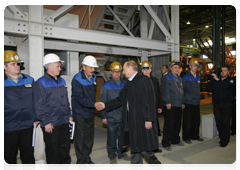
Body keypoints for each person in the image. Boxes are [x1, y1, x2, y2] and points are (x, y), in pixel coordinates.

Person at [97, 60, 163, 170]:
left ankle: (157, 167)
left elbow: (150, 100)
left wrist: (149, 119)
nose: (122, 72)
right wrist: (105, 105)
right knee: (135, 148)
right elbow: (120, 100)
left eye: (124, 69)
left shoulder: (143, 80)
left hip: (142, 121)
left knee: (144, 149)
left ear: (131, 69)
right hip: (132, 121)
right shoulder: (128, 84)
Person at [33, 53, 72, 170]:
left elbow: (66, 100)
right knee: (52, 149)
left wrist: (69, 115)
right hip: (51, 123)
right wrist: (46, 122)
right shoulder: (40, 83)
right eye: (58, 66)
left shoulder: (62, 81)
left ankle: (64, 167)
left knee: (65, 147)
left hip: (64, 121)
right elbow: (39, 105)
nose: (60, 69)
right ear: (49, 66)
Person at [4, 50, 38, 170]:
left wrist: (36, 117)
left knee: (28, 154)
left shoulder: (29, 80)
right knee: (8, 157)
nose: (17, 66)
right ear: (4, 66)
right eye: (13, 64)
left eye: (18, 64)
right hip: (8, 126)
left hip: (27, 125)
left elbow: (35, 100)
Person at [71, 55, 101, 170]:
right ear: (83, 67)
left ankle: (87, 157)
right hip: (79, 113)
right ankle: (81, 163)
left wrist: (94, 105)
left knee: (89, 137)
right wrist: (94, 104)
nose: (93, 70)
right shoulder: (77, 79)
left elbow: (92, 95)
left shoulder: (93, 77)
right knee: (80, 139)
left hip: (89, 112)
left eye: (94, 68)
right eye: (91, 68)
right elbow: (78, 98)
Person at [100, 61, 130, 166]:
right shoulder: (105, 86)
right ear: (111, 73)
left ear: (121, 72)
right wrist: (104, 116)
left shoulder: (125, 84)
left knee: (123, 136)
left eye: (118, 72)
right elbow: (102, 102)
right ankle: (112, 154)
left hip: (123, 116)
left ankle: (121, 152)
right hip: (111, 116)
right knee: (112, 136)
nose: (116, 74)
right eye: (114, 72)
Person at [206, 65, 235, 147]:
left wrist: (217, 79)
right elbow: (208, 89)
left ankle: (225, 140)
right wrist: (208, 80)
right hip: (217, 104)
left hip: (227, 104)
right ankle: (222, 137)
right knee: (219, 122)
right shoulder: (215, 81)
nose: (223, 72)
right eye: (221, 70)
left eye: (225, 70)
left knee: (225, 122)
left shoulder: (231, 80)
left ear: (228, 72)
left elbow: (225, 86)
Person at [161, 60, 185, 151]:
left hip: (178, 104)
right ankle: (166, 142)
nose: (177, 69)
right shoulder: (166, 78)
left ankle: (175, 140)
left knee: (177, 123)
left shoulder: (180, 78)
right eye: (175, 67)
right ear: (171, 68)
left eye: (178, 68)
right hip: (171, 104)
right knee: (169, 124)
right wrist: (167, 102)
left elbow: (182, 92)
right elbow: (165, 91)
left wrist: (182, 102)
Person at [141, 60, 164, 153]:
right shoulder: (139, 81)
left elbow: (159, 93)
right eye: (144, 69)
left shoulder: (154, 80)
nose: (146, 71)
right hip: (143, 110)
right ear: (141, 70)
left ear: (151, 69)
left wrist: (160, 105)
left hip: (153, 108)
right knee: (145, 129)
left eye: (148, 69)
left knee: (154, 129)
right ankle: (145, 147)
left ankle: (154, 147)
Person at [182, 58, 204, 144]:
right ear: (190, 66)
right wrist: (183, 102)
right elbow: (182, 90)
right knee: (187, 120)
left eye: (196, 66)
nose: (195, 68)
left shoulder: (198, 77)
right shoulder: (185, 77)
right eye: (194, 66)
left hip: (196, 102)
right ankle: (186, 137)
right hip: (188, 102)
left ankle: (195, 135)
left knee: (196, 120)